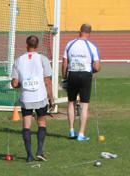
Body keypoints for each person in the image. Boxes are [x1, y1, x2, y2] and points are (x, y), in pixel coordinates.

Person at [11, 35, 54, 163]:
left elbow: (14, 83)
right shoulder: (42, 59)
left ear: (26, 45)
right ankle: (40, 151)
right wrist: (51, 98)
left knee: (26, 125)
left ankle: (29, 155)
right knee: (41, 122)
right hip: (40, 96)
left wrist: (21, 84)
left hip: (26, 97)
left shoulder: (19, 60)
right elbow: (47, 81)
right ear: (37, 45)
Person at [62, 24, 101, 141]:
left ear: (79, 32)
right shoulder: (92, 46)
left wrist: (64, 77)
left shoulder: (70, 44)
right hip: (85, 75)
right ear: (89, 33)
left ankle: (71, 130)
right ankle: (81, 133)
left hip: (72, 74)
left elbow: (64, 63)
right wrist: (93, 70)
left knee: (71, 102)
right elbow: (97, 66)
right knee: (84, 105)